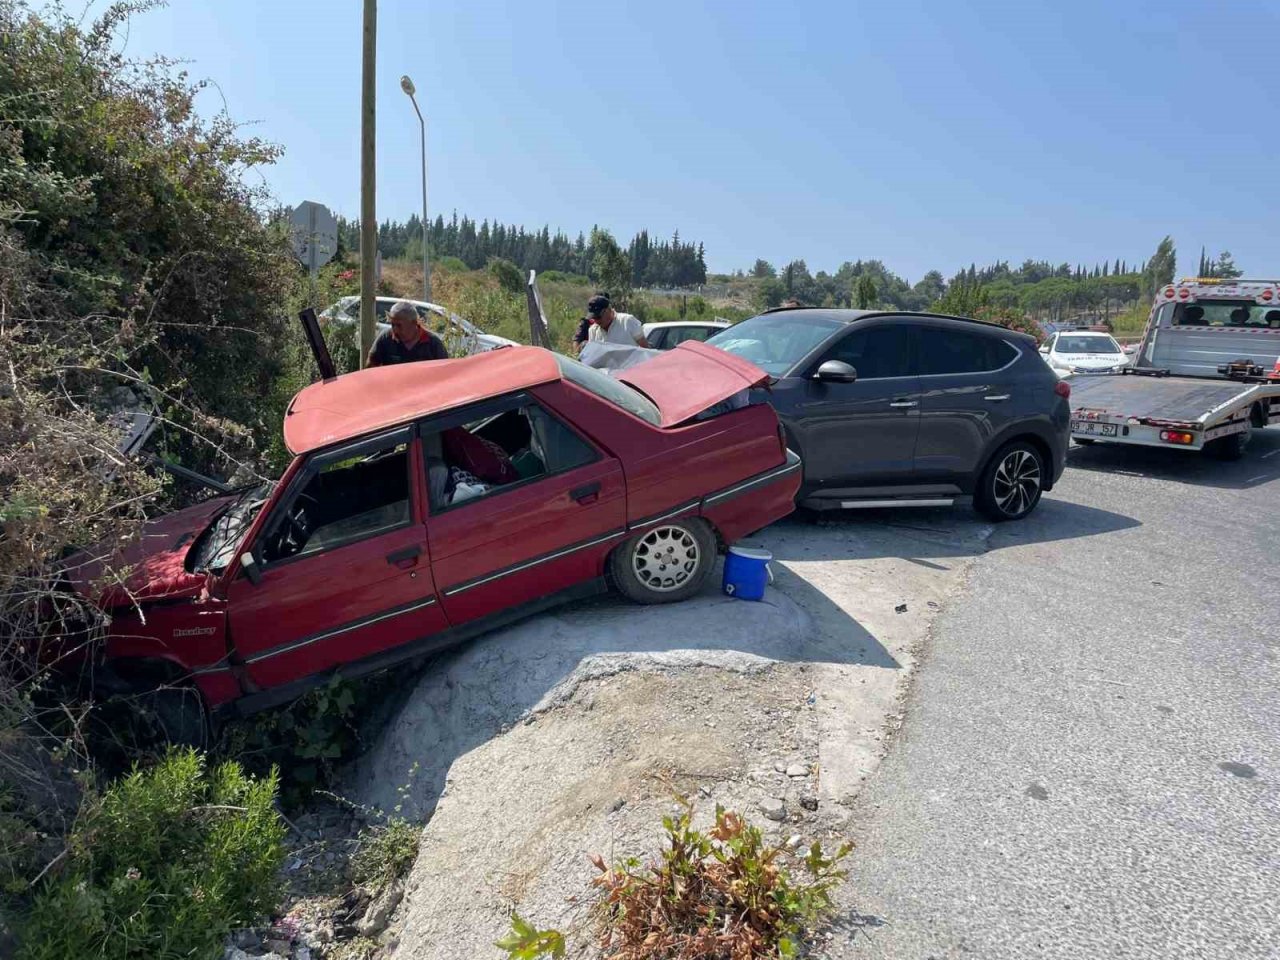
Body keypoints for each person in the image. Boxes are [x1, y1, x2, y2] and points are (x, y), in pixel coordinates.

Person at [366, 300, 449, 367]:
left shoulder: (433, 343)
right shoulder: (385, 338)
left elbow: (445, 373)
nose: (395, 330)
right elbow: (370, 369)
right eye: (392, 324)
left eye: (399, 325)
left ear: (414, 323)